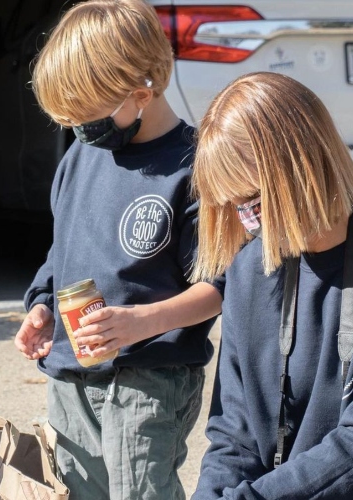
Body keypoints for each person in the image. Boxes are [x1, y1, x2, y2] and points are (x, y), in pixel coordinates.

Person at [13, 1, 224, 498]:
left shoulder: (194, 169)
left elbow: (219, 288)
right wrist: (41, 307)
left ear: (140, 93)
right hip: (70, 376)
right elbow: (61, 252)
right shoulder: (79, 159)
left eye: (87, 117)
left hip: (147, 380)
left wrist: (143, 322)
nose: (79, 130)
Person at [190, 71, 353, 499]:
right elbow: (234, 432)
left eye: (254, 201)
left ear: (303, 168)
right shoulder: (251, 270)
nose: (247, 222)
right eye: (234, 205)